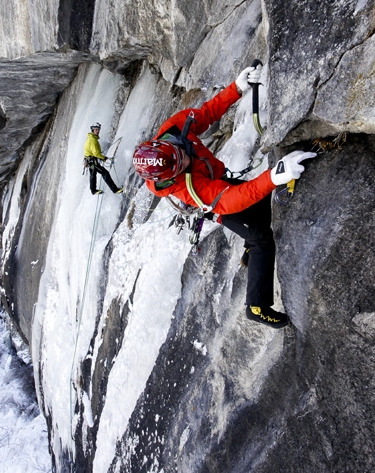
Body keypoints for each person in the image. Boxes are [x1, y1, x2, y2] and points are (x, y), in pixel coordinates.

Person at [132, 66, 316, 328]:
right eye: (179, 164)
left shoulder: (172, 131)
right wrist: (274, 177)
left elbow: (205, 115)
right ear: (169, 177)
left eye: (180, 153)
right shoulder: (186, 187)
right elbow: (229, 201)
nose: (185, 158)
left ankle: (250, 252)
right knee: (261, 237)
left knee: (263, 204)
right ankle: (257, 306)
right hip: (213, 199)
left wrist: (236, 89)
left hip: (217, 180)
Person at [84, 122, 122, 195]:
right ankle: (115, 190)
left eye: (98, 129)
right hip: (92, 161)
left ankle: (93, 190)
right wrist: (104, 158)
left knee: (93, 174)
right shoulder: (92, 140)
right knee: (105, 173)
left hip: (90, 160)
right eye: (96, 129)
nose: (98, 131)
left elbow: (94, 152)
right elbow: (96, 153)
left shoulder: (91, 138)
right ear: (92, 130)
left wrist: (100, 157)